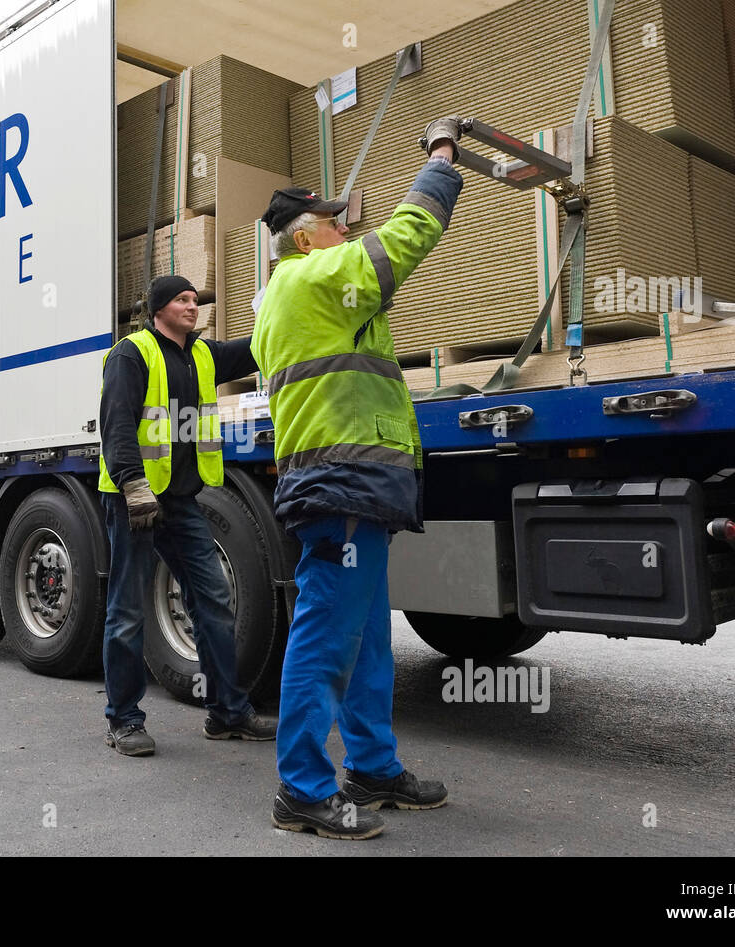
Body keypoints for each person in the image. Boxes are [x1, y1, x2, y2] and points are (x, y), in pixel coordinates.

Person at [250, 117, 466, 838]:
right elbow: (406, 239)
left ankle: (372, 766)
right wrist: (440, 159)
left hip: (354, 488)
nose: (348, 232)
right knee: (324, 638)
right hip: (341, 486)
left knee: (366, 637)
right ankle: (301, 789)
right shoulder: (311, 278)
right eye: (335, 223)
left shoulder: (296, 295)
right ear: (305, 237)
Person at [98, 274, 277, 756]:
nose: (192, 306)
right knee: (128, 610)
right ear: (158, 308)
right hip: (133, 499)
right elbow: (116, 425)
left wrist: (279, 293)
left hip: (180, 501)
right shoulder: (132, 354)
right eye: (181, 300)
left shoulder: (203, 354)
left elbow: (259, 347)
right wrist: (135, 486)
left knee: (213, 600)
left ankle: (228, 713)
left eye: (195, 300)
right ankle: (124, 720)